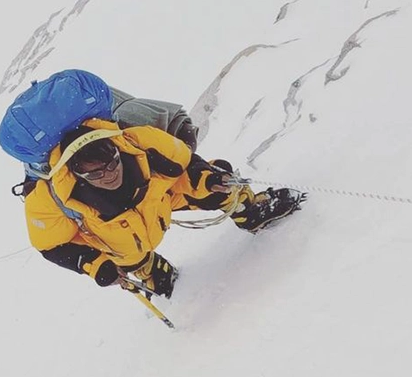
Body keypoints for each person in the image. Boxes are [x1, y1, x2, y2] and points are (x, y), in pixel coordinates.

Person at [21, 119, 303, 298]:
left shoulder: (139, 142)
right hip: (116, 238)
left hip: (160, 202)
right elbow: (51, 245)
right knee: (130, 256)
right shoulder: (49, 197)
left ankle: (249, 211)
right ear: (75, 173)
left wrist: (208, 177)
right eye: (95, 173)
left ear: (116, 149)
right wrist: (94, 265)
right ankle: (153, 273)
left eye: (112, 162)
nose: (109, 174)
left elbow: (184, 163)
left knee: (209, 188)